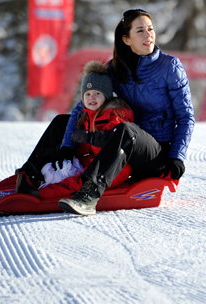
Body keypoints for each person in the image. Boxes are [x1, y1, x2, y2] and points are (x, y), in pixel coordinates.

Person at [16, 8, 195, 216]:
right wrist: (66, 146)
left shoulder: (170, 67)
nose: (148, 35)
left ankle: (89, 194)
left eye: (150, 29)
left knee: (127, 130)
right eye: (140, 31)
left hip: (154, 154)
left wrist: (177, 156)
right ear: (126, 40)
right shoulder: (116, 69)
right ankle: (28, 177)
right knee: (61, 122)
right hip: (120, 146)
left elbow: (185, 116)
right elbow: (81, 107)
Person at [15, 60, 134, 202]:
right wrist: (60, 151)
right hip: (91, 162)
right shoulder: (88, 116)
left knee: (79, 180)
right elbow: (84, 147)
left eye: (97, 93)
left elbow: (111, 145)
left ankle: (43, 193)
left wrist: (89, 138)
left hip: (112, 168)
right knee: (62, 165)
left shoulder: (112, 118)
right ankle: (34, 176)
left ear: (107, 97)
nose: (92, 97)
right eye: (88, 94)